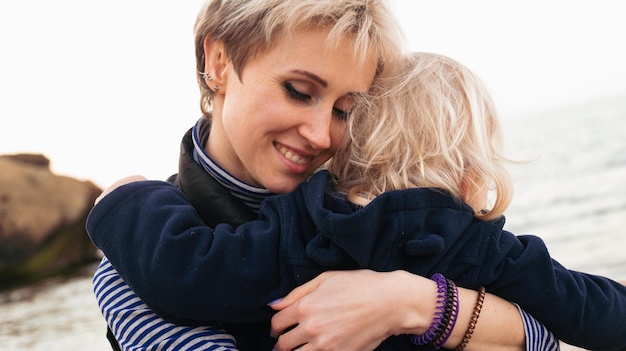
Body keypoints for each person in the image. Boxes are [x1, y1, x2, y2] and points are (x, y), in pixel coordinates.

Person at [88, 0, 559, 351]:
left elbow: (545, 336)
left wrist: (416, 305)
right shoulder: (143, 249)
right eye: (298, 89)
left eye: (345, 111)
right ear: (219, 62)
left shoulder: (365, 206)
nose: (319, 135)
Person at [88, 52, 626, 350]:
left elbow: (192, 271)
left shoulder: (302, 222)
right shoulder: (482, 247)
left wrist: (130, 198)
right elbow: (589, 314)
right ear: (470, 169)